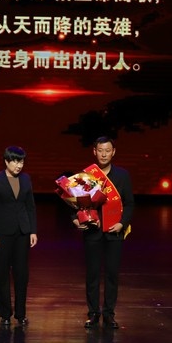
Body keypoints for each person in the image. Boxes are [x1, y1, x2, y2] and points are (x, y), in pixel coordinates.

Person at [73, 136, 134, 330]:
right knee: (92, 274)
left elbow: (129, 203)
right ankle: (93, 314)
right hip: (92, 231)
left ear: (113, 152)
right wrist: (76, 219)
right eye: (100, 150)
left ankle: (109, 314)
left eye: (107, 150)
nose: (104, 154)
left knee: (112, 274)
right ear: (94, 151)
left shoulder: (122, 175)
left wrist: (122, 224)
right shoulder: (86, 175)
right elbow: (74, 202)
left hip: (114, 232)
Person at [0, 146, 38, 328]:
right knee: (2, 274)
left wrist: (33, 230)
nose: (19, 165)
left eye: (21, 161)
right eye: (15, 161)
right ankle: (5, 314)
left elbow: (30, 206)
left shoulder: (26, 179)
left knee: (21, 274)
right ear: (6, 161)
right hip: (2, 232)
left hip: (22, 232)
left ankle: (21, 313)